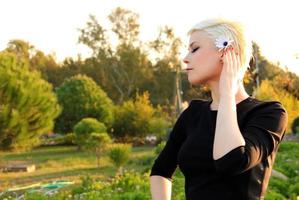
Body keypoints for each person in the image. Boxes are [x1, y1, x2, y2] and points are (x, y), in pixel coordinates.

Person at [149, 17, 288, 200]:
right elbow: (161, 170)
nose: (185, 58)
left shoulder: (268, 113)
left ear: (227, 52)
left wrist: (227, 94)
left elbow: (231, 161)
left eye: (195, 49)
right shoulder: (193, 113)